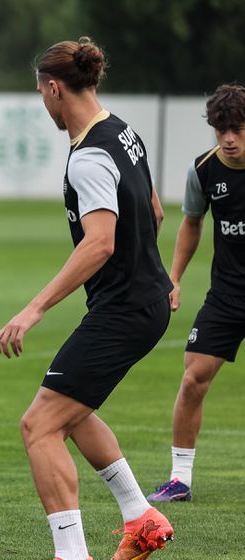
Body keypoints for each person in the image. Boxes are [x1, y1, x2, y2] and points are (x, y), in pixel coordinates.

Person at [0, 38, 174, 560]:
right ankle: (142, 517)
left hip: (123, 309)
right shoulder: (121, 129)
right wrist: (149, 272)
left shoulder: (91, 153)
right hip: (140, 302)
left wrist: (34, 308)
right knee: (70, 411)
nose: (44, 105)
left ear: (54, 87)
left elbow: (98, 243)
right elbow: (155, 210)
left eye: (41, 94)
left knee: (39, 425)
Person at [147, 84, 245, 503]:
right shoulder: (203, 171)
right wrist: (175, 276)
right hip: (227, 295)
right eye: (221, 129)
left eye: (237, 129)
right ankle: (180, 479)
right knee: (192, 380)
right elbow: (191, 223)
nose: (229, 138)